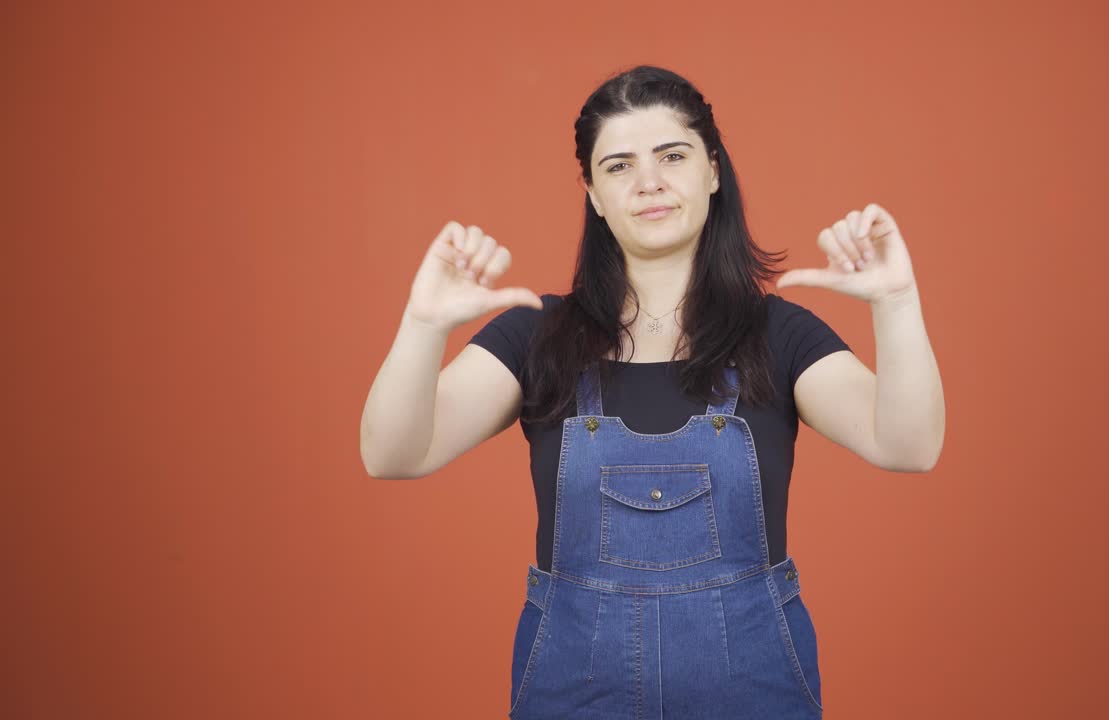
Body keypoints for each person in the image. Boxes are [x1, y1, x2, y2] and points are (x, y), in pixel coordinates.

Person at [361, 65, 944, 720]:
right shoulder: (536, 336)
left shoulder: (778, 335)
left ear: (713, 171)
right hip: (573, 698)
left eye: (672, 156)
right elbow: (393, 454)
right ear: (593, 194)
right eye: (618, 166)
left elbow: (909, 445)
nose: (648, 183)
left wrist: (896, 302)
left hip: (755, 695)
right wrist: (423, 325)